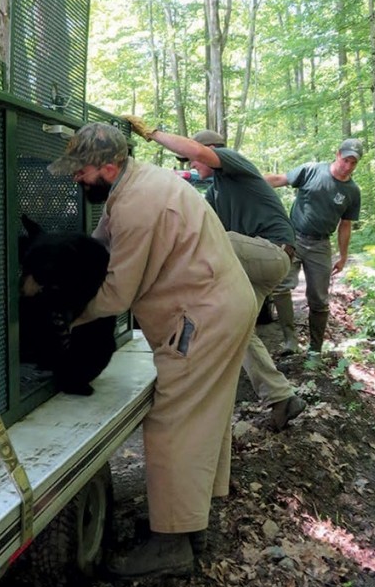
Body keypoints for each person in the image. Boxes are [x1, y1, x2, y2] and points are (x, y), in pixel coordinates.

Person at [48, 122, 258, 579]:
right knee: (204, 418)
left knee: (174, 421)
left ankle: (171, 545)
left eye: (80, 172)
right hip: (220, 303)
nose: (75, 180)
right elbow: (103, 242)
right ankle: (190, 522)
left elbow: (119, 292)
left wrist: (67, 316)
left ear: (109, 166)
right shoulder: (135, 183)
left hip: (203, 316)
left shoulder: (141, 202)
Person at [124, 119, 306, 432]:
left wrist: (152, 134)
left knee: (198, 243)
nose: (192, 163)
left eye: (195, 158)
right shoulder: (216, 195)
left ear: (211, 151)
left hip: (271, 251)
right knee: (239, 330)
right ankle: (282, 397)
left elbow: (196, 154)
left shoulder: (234, 163)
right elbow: (190, 209)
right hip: (255, 265)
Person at [264, 139, 363, 355]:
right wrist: (251, 181)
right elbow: (281, 179)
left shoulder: (352, 191)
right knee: (281, 287)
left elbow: (345, 225)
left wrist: (343, 255)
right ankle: (290, 341)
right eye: (345, 160)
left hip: (320, 245)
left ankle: (315, 349)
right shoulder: (311, 171)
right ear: (337, 155)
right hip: (293, 239)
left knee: (319, 298)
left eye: (353, 163)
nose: (347, 166)